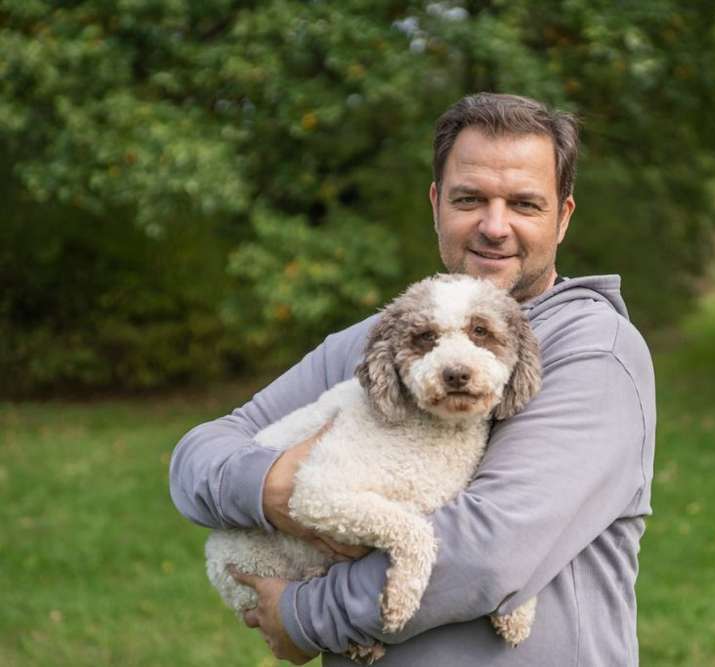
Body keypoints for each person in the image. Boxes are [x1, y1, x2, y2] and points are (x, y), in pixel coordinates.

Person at [170, 92, 656, 666]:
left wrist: (304, 616)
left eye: (524, 204)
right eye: (469, 199)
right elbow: (198, 456)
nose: (494, 226)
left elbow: (484, 553)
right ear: (436, 204)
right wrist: (273, 489)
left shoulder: (593, 350)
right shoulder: (382, 340)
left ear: (563, 217)